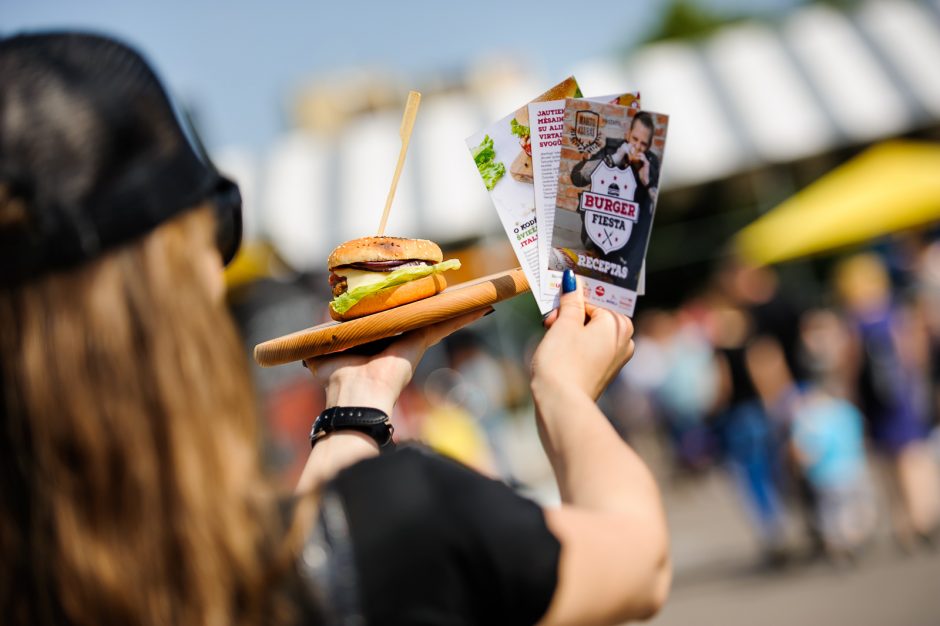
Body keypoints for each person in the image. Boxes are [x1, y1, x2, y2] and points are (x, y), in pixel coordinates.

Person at [0, 32, 670, 625]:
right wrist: (562, 392)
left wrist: (358, 402)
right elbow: (638, 559)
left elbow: (319, 546)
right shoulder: (407, 526)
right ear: (186, 288)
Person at [569, 111, 661, 291]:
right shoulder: (612, 149)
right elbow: (578, 177)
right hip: (596, 236)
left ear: (649, 145)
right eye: (634, 139)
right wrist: (613, 159)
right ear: (628, 134)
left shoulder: (652, 163)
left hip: (629, 245)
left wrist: (647, 181)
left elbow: (658, 208)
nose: (637, 146)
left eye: (643, 144)